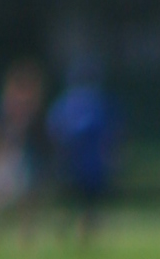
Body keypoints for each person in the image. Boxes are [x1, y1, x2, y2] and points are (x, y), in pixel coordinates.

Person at [47, 65, 121, 244]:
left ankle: (79, 236)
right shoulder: (93, 103)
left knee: (83, 203)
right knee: (79, 202)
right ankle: (75, 235)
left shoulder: (81, 102)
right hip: (80, 163)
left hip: (86, 164)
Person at [0, 59, 46, 244]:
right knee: (3, 200)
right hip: (6, 157)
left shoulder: (33, 111)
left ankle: (25, 236)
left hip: (26, 157)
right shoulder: (4, 109)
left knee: (27, 198)